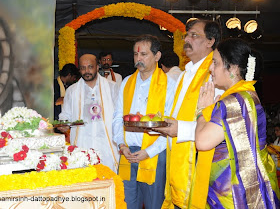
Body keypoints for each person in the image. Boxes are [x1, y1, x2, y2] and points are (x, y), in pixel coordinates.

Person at [195, 38, 280, 208]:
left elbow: (202, 142)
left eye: (215, 63)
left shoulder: (235, 101)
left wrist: (202, 112)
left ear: (232, 68)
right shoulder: (248, 94)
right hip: (248, 182)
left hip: (233, 192)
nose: (211, 68)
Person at [155, 19, 223, 208]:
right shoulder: (186, 74)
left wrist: (179, 129)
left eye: (194, 35)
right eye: (187, 35)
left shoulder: (215, 75)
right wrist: (161, 125)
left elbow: (218, 126)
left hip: (201, 161)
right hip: (177, 161)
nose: (187, 39)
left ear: (210, 41)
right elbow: (176, 115)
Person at [112, 34, 176, 209]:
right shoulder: (127, 82)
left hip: (154, 155)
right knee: (126, 204)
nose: (138, 59)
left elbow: (170, 125)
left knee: (154, 205)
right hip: (128, 153)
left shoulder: (169, 85)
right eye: (135, 54)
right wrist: (121, 145)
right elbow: (118, 117)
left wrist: (149, 151)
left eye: (143, 54)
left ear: (157, 56)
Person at [58, 54, 120, 173]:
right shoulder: (72, 91)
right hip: (83, 143)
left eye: (90, 67)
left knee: (108, 181)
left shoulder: (111, 87)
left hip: (106, 144)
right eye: (83, 68)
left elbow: (119, 114)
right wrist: (63, 125)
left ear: (97, 67)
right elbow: (65, 115)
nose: (86, 71)